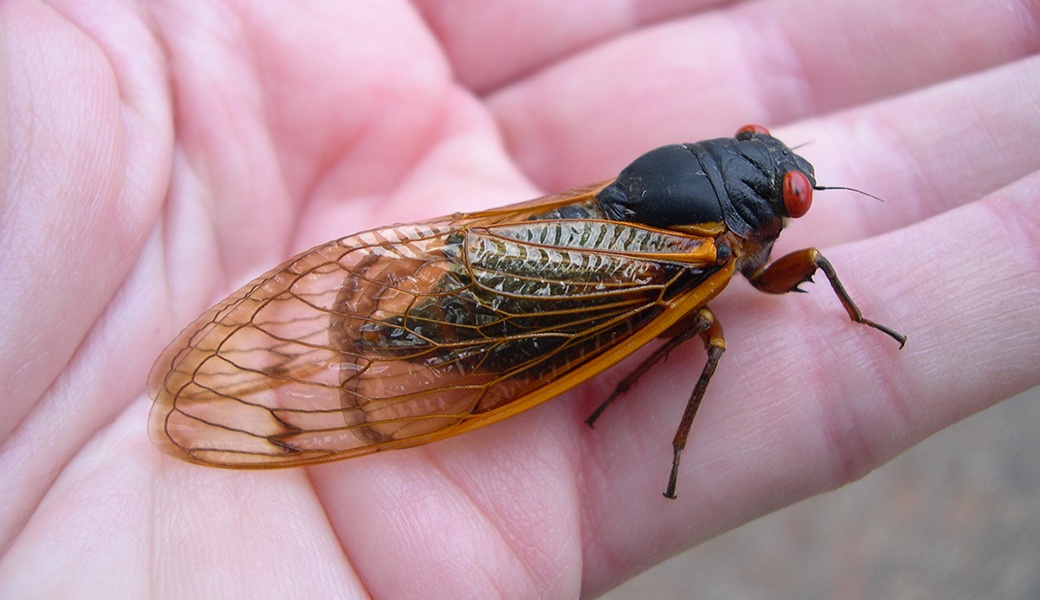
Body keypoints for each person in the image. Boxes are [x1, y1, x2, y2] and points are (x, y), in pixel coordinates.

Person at [1, 1, 1037, 597]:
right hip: (550, 300)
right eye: (784, 182)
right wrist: (664, 421)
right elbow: (698, 338)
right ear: (767, 208)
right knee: (708, 341)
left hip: (546, 237)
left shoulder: (713, 216)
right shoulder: (721, 256)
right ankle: (373, 344)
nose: (784, 182)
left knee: (684, 322)